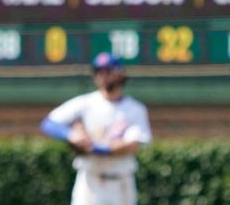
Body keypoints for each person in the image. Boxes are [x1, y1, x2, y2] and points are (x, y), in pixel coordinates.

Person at [41, 53, 152, 205]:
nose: (102, 75)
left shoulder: (135, 109)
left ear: (120, 73)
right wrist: (71, 134)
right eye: (98, 71)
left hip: (121, 182)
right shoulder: (86, 103)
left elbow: (131, 145)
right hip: (90, 181)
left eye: (107, 70)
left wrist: (95, 147)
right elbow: (49, 123)